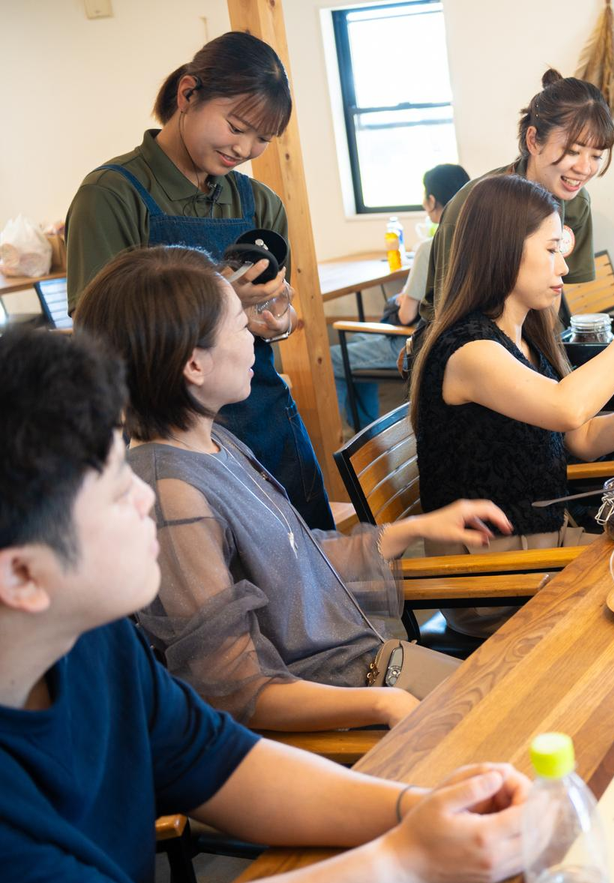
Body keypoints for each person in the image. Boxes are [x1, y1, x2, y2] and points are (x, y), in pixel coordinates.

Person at [0, 327, 532, 883]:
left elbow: (214, 760)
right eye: (116, 490)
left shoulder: (91, 639)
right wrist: (403, 859)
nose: (143, 495)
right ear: (22, 575)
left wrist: (415, 809)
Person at [76, 245, 511, 731]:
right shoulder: (172, 495)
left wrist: (416, 529)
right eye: (240, 326)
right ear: (194, 365)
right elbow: (238, 690)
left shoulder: (215, 440)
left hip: (371, 673)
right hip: (342, 709)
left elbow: (294, 562)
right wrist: (383, 705)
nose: (254, 340)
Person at [408, 174, 614, 637]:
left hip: (544, 544)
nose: (563, 267)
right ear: (503, 251)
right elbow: (569, 408)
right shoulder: (469, 351)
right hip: (493, 573)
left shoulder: (523, 337)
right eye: (551, 250)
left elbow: (581, 438)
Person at [66, 31, 334, 530]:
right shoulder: (112, 195)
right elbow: (98, 333)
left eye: (263, 139)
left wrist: (277, 319)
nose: (245, 149)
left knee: (309, 547)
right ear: (188, 94)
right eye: (237, 127)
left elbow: (274, 308)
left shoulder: (260, 203)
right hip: (166, 432)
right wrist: (222, 298)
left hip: (261, 413)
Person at [408, 69, 614, 364]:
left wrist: (547, 363)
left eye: (596, 156)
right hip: (463, 350)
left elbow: (553, 295)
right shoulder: (473, 207)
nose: (585, 169)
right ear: (533, 140)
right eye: (572, 151)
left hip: (533, 344)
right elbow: (449, 313)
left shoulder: (576, 203)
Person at [334, 162, 469, 430]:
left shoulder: (429, 247)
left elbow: (407, 316)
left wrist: (404, 298)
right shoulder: (478, 240)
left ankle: (357, 434)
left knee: (335, 357)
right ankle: (369, 428)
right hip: (457, 337)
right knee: (358, 340)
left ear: (432, 200)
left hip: (417, 342)